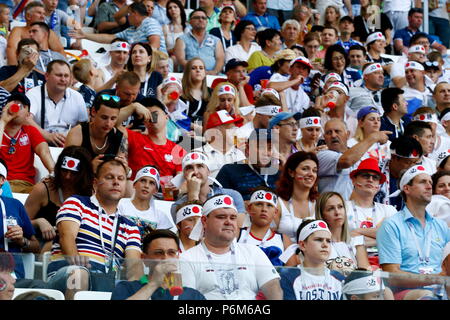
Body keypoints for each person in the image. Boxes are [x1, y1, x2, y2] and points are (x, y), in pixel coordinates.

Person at [46, 159, 143, 300]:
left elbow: (134, 268)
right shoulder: (76, 203)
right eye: (109, 177)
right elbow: (66, 237)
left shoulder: (130, 226)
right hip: (67, 275)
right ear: (96, 183)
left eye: (121, 178)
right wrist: (80, 266)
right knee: (79, 275)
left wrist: (140, 285)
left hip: (106, 283)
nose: (116, 182)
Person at [180, 194, 283, 300]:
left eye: (233, 218)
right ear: (204, 221)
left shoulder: (253, 252)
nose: (228, 222)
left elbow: (273, 287)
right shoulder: (187, 258)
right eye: (221, 217)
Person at [377, 165, 450, 300]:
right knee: (428, 297)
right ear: (407, 188)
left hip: (441, 291)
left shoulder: (441, 226)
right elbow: (393, 277)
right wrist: (433, 279)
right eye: (423, 182)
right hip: (407, 293)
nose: (429, 187)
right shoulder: (391, 225)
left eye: (430, 183)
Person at [24, 146, 94, 253]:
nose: (67, 176)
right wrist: (38, 222)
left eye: (74, 173)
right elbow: (19, 223)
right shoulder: (43, 189)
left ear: (84, 173)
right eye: (64, 171)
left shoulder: (91, 193)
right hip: (44, 247)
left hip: (81, 245)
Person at [111, 229, 205, 300]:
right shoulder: (127, 287)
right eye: (159, 253)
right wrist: (153, 284)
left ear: (177, 258)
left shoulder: (193, 295)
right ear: (144, 259)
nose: (165, 258)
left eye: (171, 252)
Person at [317, 118, 390, 200]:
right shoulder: (321, 155)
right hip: (332, 209)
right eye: (328, 133)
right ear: (324, 137)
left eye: (337, 131)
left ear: (347, 134)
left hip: (356, 210)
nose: (333, 135)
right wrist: (373, 137)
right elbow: (347, 161)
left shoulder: (360, 155)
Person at [118, 96, 186, 179]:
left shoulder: (178, 150)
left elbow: (182, 182)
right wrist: (133, 107)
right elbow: (111, 123)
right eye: (147, 115)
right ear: (144, 122)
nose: (152, 118)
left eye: (155, 114)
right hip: (136, 190)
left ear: (166, 117)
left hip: (166, 191)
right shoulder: (133, 137)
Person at [26, 60, 88, 148]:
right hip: (38, 145)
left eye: (66, 76)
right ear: (47, 76)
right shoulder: (33, 94)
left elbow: (83, 126)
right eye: (59, 75)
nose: (63, 79)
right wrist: (46, 135)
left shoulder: (77, 97)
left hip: (67, 146)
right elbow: (25, 119)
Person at [0, 93, 55, 193]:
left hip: (26, 185)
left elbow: (44, 152)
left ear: (28, 115)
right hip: (2, 183)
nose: (16, 106)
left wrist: (54, 173)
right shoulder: (0, 127)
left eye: (22, 106)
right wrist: (3, 121)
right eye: (13, 103)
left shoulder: (30, 131)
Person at [170, 150, 246, 222]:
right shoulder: (177, 206)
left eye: (200, 166)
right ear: (184, 175)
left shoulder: (232, 195)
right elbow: (193, 233)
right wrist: (193, 195)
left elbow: (239, 227)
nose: (195, 172)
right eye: (189, 168)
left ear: (208, 171)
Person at [279, 219, 343, 300]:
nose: (325, 245)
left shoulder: (338, 278)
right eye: (319, 240)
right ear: (302, 245)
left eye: (328, 241)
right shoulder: (288, 276)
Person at [71, 2, 167, 54]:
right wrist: (85, 35)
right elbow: (110, 38)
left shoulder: (150, 23)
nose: (127, 17)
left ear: (135, 13)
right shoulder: (131, 29)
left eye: (129, 14)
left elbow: (154, 46)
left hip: (157, 64)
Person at [346, 158, 397, 255]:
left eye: (375, 178)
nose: (370, 180)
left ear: (378, 185)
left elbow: (396, 238)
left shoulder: (389, 210)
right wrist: (380, 237)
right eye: (365, 176)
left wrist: (357, 232)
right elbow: (340, 240)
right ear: (354, 180)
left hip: (383, 264)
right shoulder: (342, 207)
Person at [0, 160, 40, 280]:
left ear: (3, 180)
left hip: (12, 275)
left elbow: (36, 246)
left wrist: (21, 240)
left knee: (41, 288)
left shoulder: (14, 205)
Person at [238, 187, 296, 266]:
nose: (264, 209)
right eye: (259, 204)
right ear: (249, 208)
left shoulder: (284, 240)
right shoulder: (237, 234)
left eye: (269, 205)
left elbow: (291, 272)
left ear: (275, 212)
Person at [316, 192, 371, 274]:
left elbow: (366, 274)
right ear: (322, 214)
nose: (337, 212)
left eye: (340, 207)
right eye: (330, 209)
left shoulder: (356, 240)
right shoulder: (317, 244)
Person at [217, 128, 280, 200]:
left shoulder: (279, 173)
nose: (266, 153)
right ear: (247, 148)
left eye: (269, 148)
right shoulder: (229, 170)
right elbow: (217, 201)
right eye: (261, 147)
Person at [119, 165, 175, 239]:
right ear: (134, 184)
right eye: (143, 180)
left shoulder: (161, 217)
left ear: (156, 190)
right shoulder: (120, 205)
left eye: (151, 183)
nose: (146, 186)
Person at [275, 151, 319, 242]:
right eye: (305, 169)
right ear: (291, 172)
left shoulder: (319, 204)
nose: (311, 174)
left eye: (314, 170)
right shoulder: (278, 204)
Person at [6, 1, 65, 66]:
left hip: (47, 67)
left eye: (44, 14)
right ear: (28, 16)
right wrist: (13, 70)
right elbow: (11, 49)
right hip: (24, 67)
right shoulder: (18, 30)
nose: (43, 17)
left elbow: (60, 52)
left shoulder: (49, 32)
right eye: (39, 13)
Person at [194, 110, 246, 177]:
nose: (235, 132)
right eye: (231, 129)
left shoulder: (239, 154)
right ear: (216, 132)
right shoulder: (198, 155)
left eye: (235, 128)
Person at [174, 8, 224, 75]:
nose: (201, 20)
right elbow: (181, 60)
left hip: (211, 75)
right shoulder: (181, 39)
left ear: (206, 22)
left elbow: (220, 59)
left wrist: (214, 72)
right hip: (189, 75)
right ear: (190, 22)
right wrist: (198, 71)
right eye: (197, 18)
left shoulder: (216, 40)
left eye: (203, 18)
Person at [387, 136, 424, 210]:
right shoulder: (376, 175)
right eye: (408, 162)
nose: (412, 167)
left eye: (415, 162)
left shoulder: (417, 176)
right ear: (393, 157)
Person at [179, 57, 211, 122]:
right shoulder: (179, 90)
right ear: (187, 72)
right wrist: (193, 127)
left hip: (202, 129)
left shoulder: (211, 93)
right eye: (193, 68)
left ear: (205, 73)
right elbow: (173, 115)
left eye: (201, 68)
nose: (198, 70)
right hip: (180, 128)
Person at [162, 0, 187, 68]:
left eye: (175, 7)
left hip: (186, 57)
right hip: (170, 58)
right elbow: (162, 48)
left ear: (180, 9)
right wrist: (171, 50)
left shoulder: (188, 27)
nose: (172, 9)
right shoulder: (165, 27)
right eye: (170, 8)